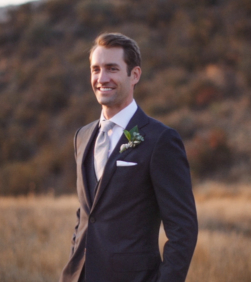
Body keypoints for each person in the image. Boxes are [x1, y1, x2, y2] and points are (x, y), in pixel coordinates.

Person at [59, 33, 198, 282]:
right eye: (96, 69)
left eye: (112, 68)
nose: (102, 78)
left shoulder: (160, 140)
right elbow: (86, 214)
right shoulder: (82, 136)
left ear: (134, 75)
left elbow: (183, 230)